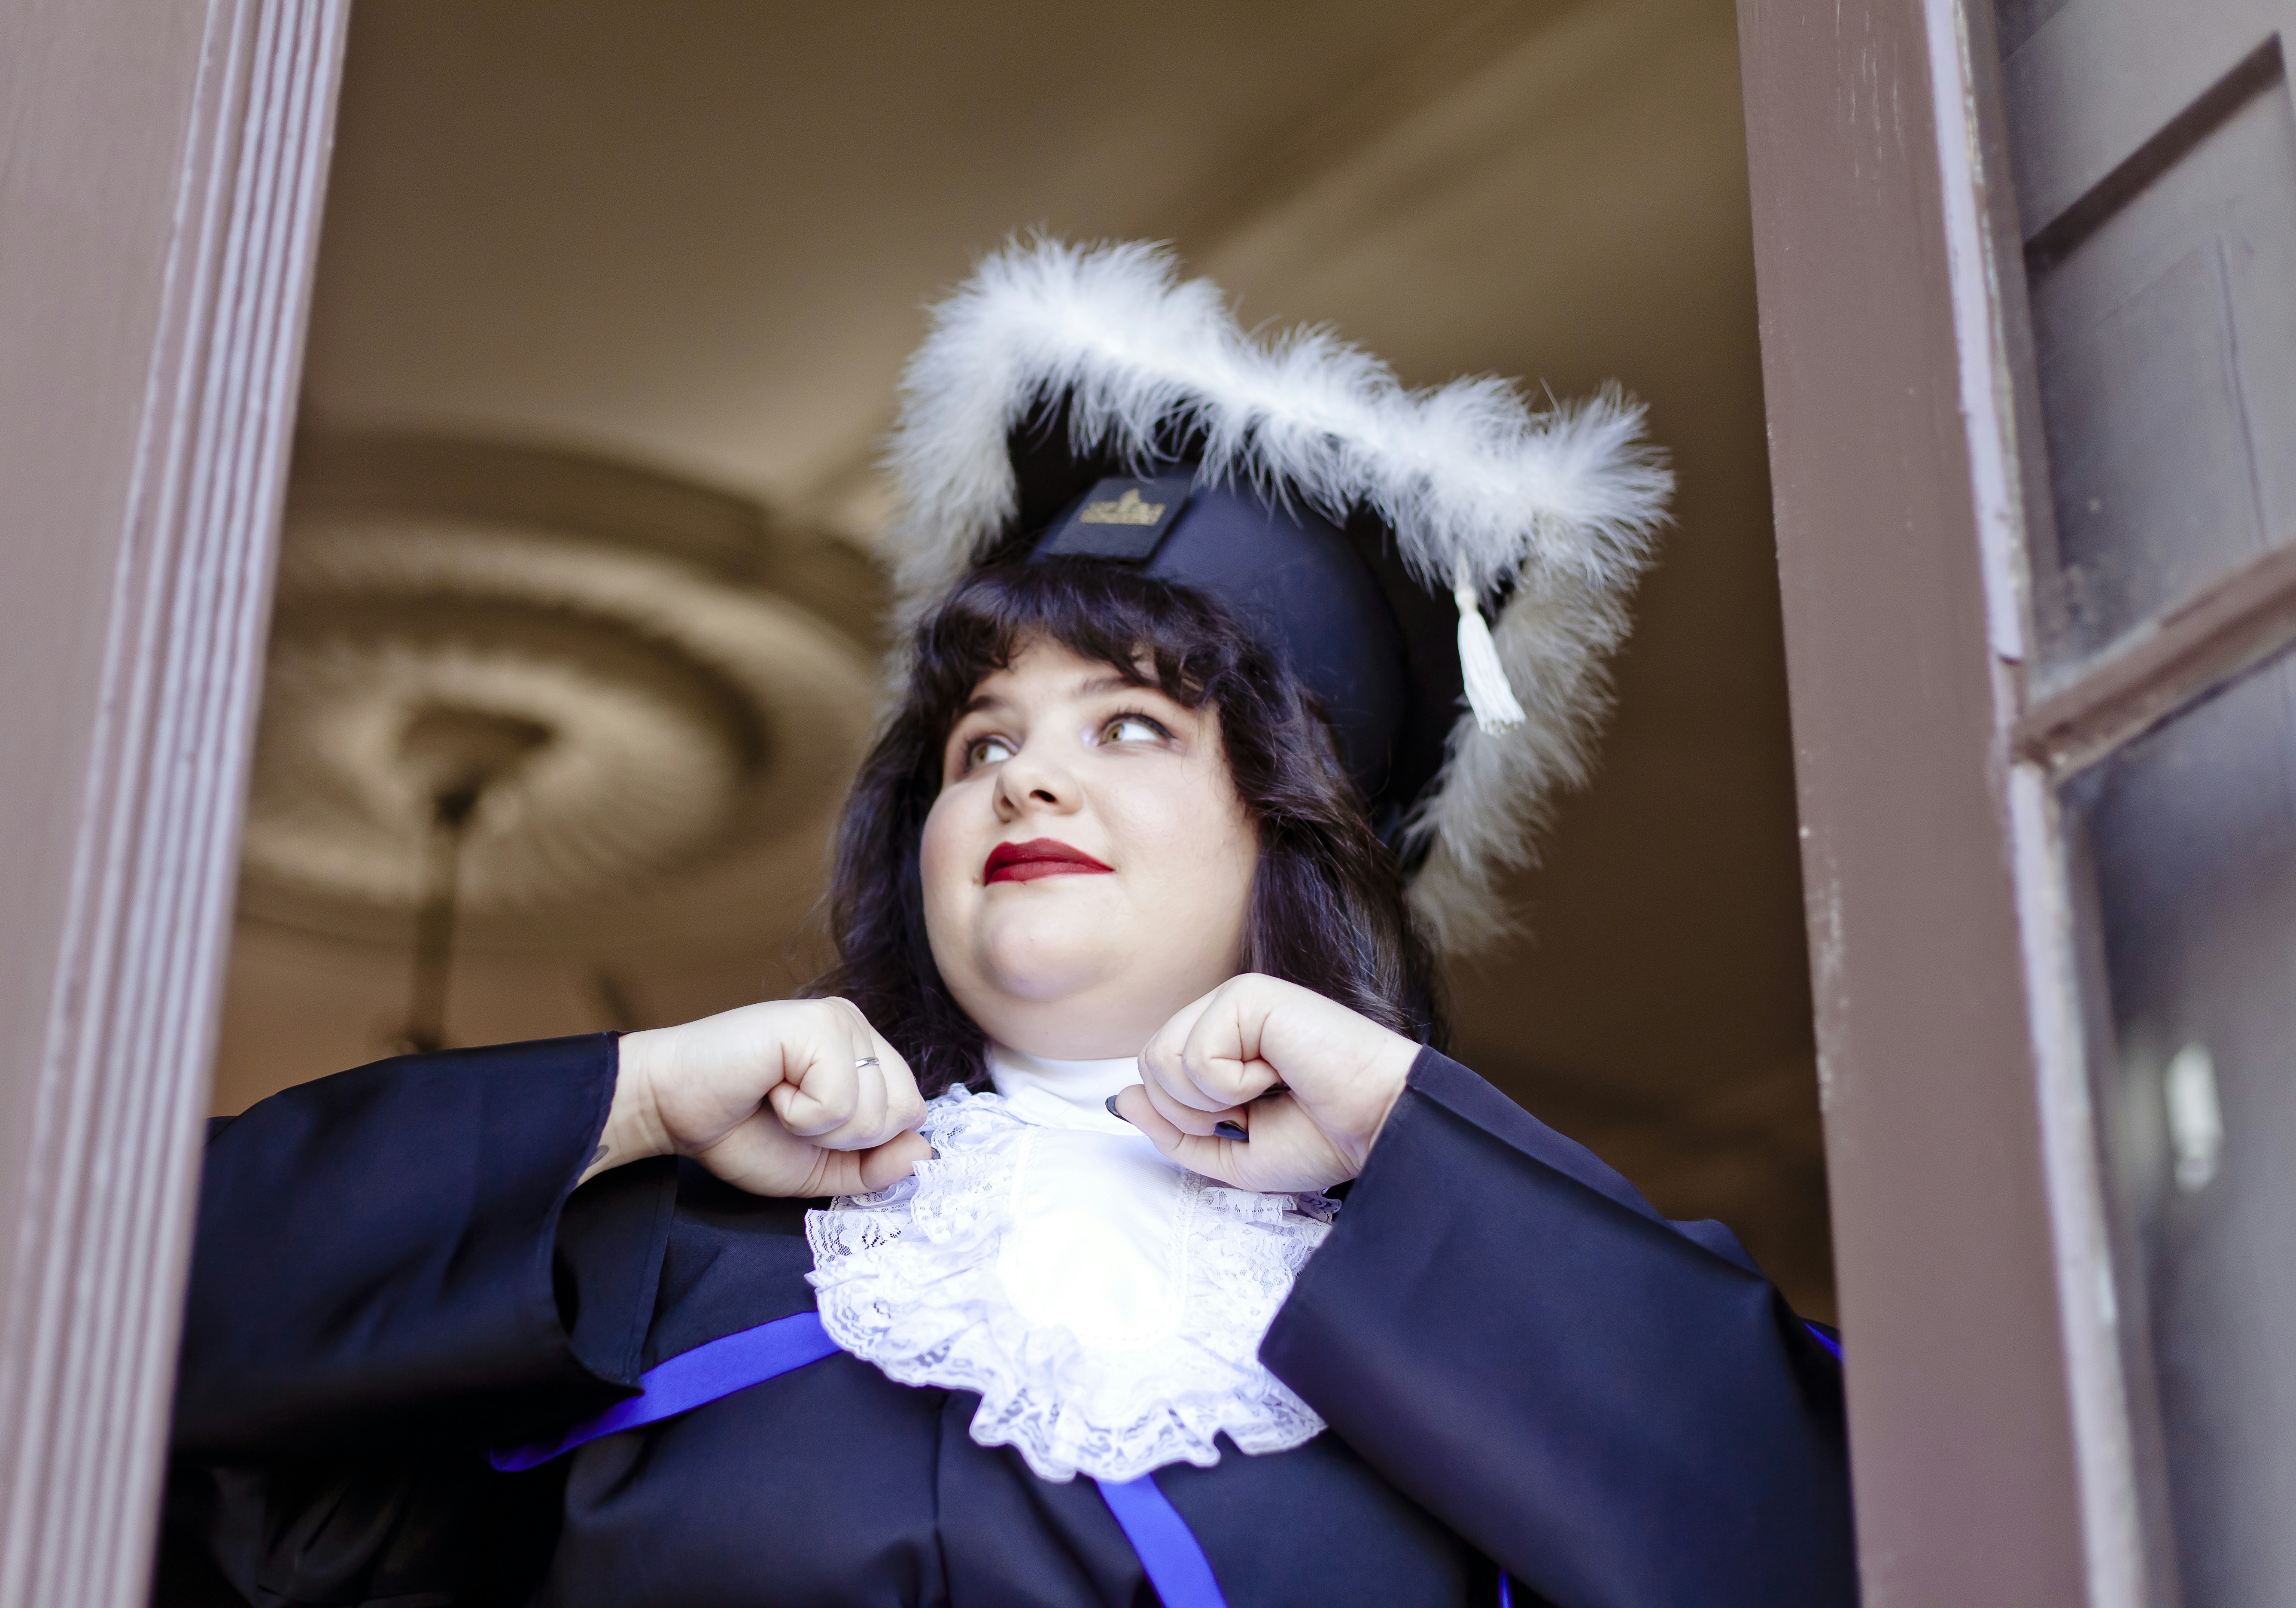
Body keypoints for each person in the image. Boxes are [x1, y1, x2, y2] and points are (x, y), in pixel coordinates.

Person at [154, 241, 1855, 1608]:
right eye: (982, 744)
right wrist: (637, 1099)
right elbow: (124, 1320)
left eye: (1134, 725)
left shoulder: (1508, 1339)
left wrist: (1409, 1133)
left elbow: (1851, 1545)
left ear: (1300, 821)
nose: (1026, 778)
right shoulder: (682, 1249)